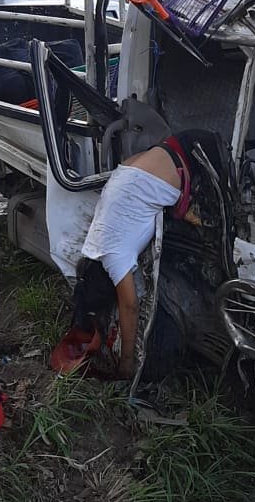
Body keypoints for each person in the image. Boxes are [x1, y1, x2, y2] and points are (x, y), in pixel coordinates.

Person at [73, 138, 191, 380]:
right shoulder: (92, 245)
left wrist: (127, 363)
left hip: (191, 156)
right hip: (155, 154)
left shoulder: (114, 258)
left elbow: (130, 306)